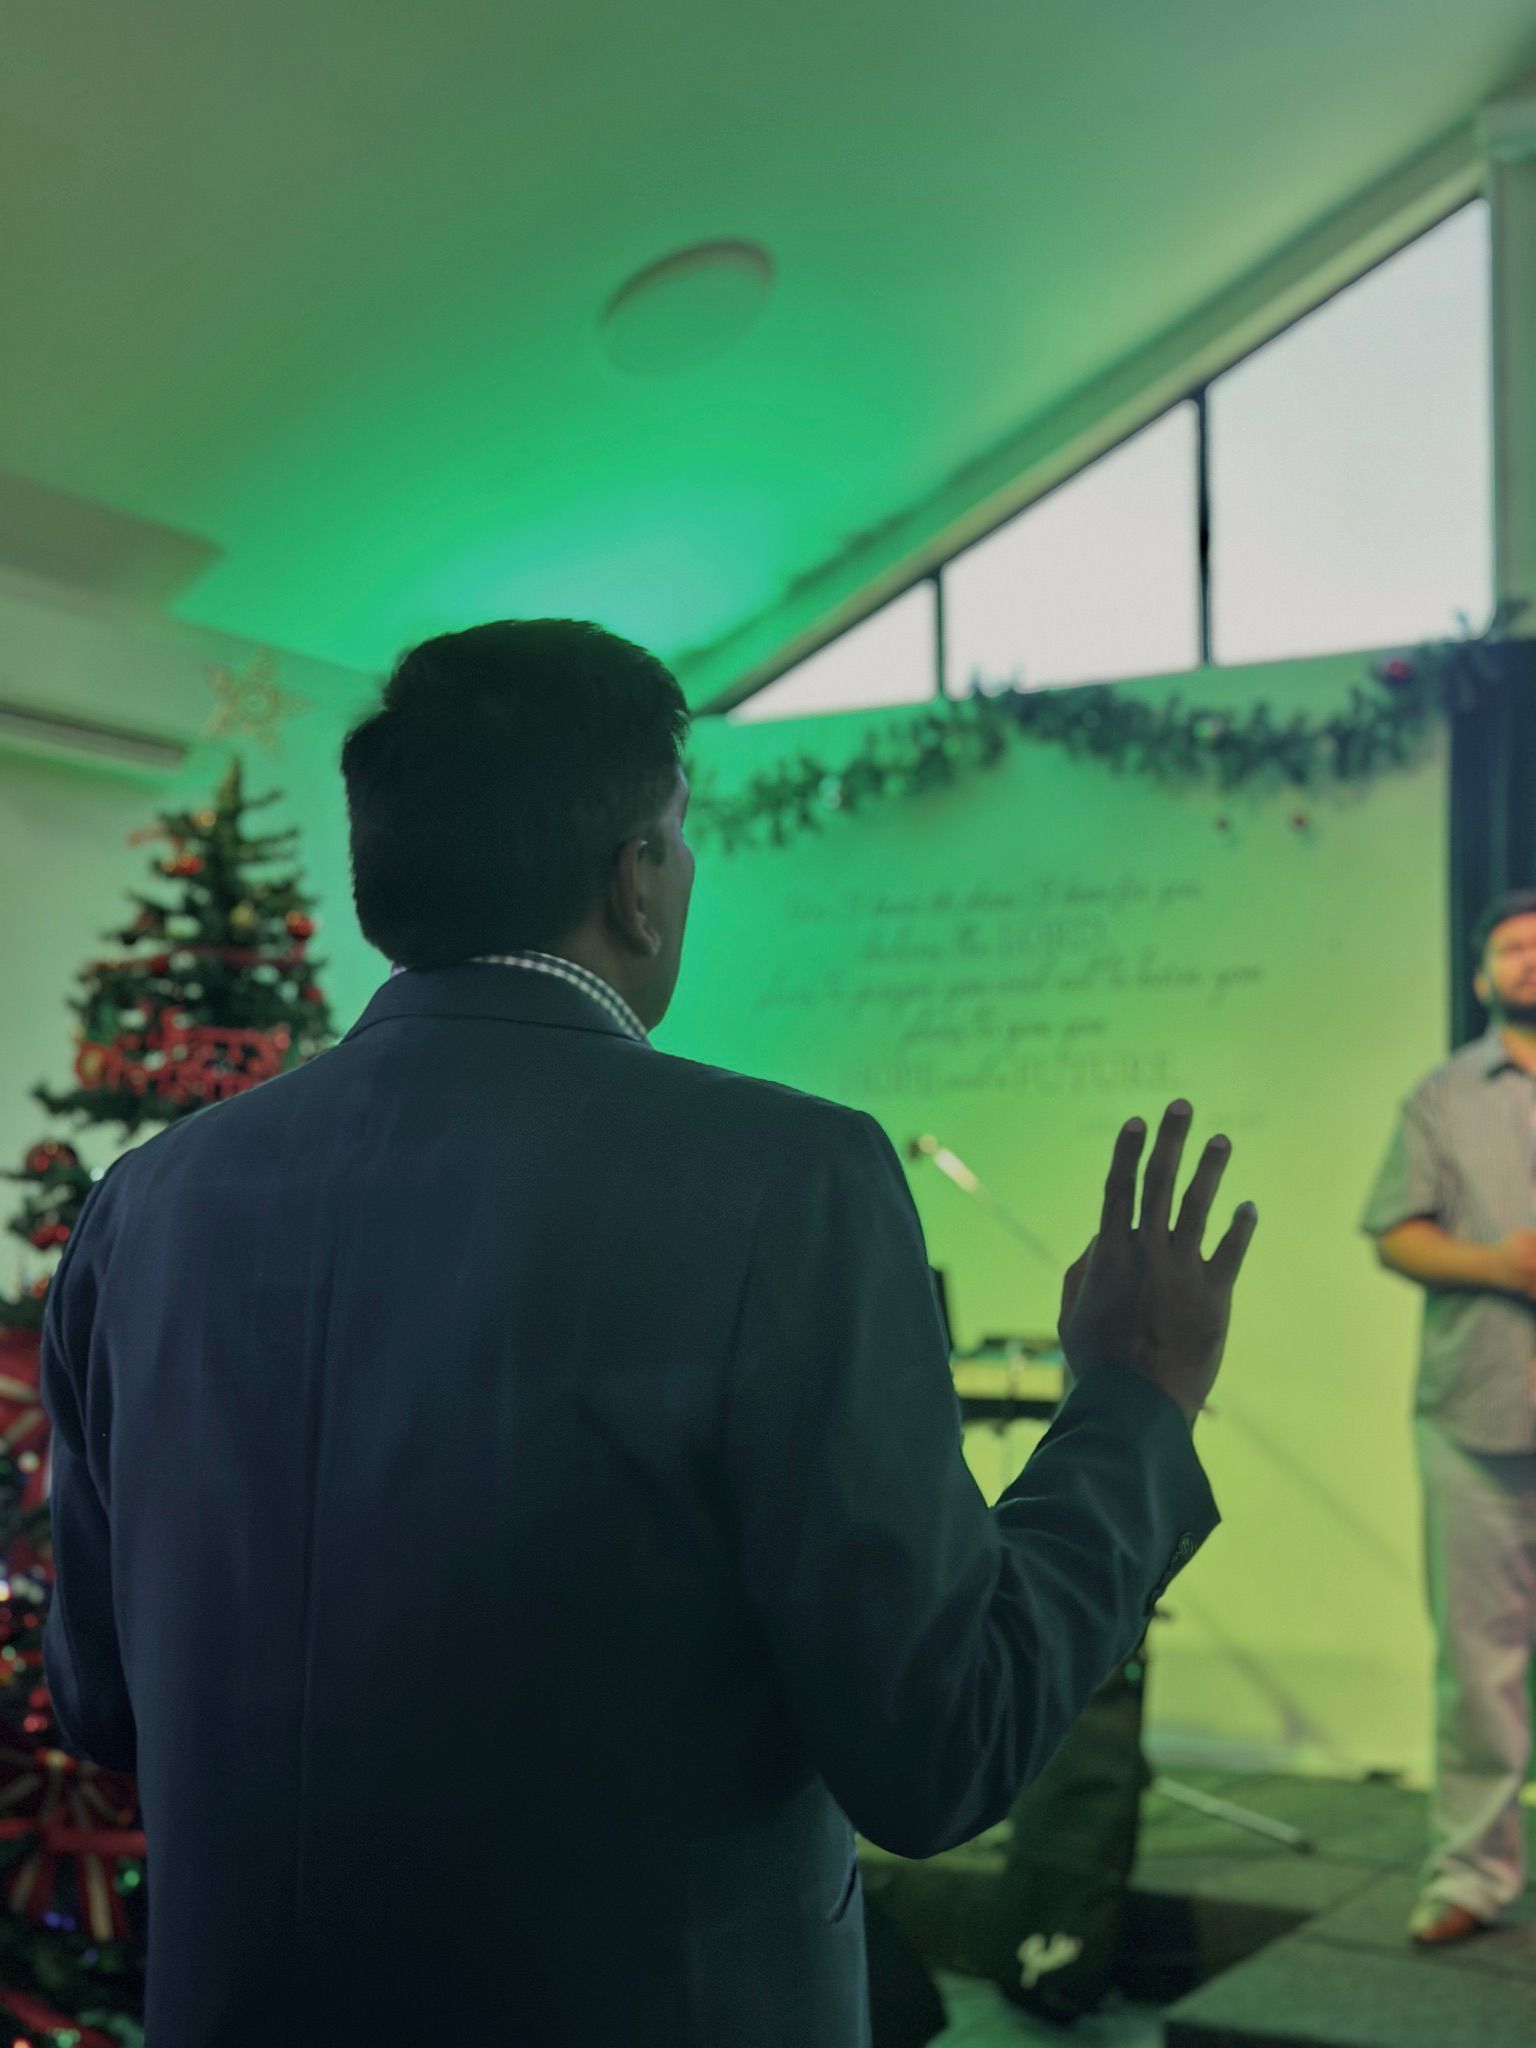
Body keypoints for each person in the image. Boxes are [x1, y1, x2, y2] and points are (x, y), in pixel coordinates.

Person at [42, 619, 1256, 2047]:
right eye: (679, 839)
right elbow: (940, 1745)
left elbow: (104, 1704)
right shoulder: (785, 1180)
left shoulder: (149, 1205)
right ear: (636, 880)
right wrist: (1131, 1404)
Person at [1362, 888, 1536, 1948]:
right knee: (1477, 1660)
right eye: (1511, 947)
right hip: (1476, 1416)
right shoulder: (1441, 1095)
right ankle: (1473, 1870)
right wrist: (1501, 1263)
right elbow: (1394, 1231)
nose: (1530, 960)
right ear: (1482, 975)